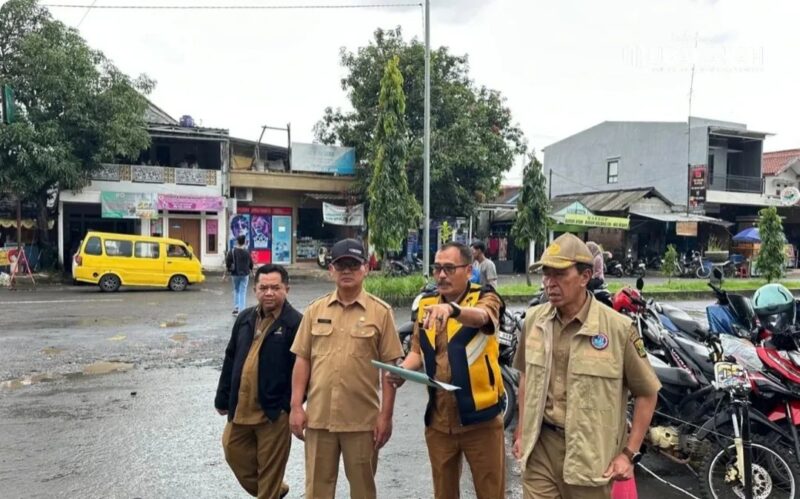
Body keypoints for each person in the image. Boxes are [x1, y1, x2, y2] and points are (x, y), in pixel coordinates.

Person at [513, 233, 660, 499]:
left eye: (559, 274)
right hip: (540, 449)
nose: (549, 283)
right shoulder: (534, 320)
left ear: (585, 277)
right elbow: (526, 377)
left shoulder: (618, 329)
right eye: (546, 274)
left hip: (590, 456)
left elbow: (647, 393)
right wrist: (522, 432)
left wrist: (629, 453)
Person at [388, 242, 506, 499]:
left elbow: (483, 317)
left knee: (490, 491)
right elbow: (417, 351)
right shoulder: (426, 304)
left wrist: (452, 310)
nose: (441, 275)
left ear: (469, 270)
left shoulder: (486, 296)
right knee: (443, 493)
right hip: (440, 420)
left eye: (449, 268)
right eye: (437, 268)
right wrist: (401, 371)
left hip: (481, 420)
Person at [289, 238, 404, 499]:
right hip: (319, 418)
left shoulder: (380, 312)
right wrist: (296, 406)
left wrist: (386, 416)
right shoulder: (315, 310)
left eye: (354, 265)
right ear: (331, 270)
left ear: (366, 268)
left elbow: (390, 368)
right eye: (341, 266)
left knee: (363, 491)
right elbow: (302, 360)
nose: (347, 271)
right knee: (317, 491)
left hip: (362, 422)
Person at [215, 264, 302, 499]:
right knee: (232, 449)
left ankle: (270, 490)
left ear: (286, 289)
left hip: (273, 413)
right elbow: (231, 357)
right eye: (263, 288)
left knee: (270, 471)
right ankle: (274, 490)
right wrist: (222, 398)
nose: (269, 293)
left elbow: (304, 370)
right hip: (241, 408)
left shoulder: (295, 323)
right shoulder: (245, 318)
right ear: (255, 290)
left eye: (275, 287)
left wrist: (288, 406)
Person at [227, 235, 254, 316]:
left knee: (236, 290)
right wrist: (251, 269)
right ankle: (241, 310)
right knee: (243, 291)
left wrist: (229, 270)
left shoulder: (232, 251)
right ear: (244, 242)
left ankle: (236, 308)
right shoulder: (247, 252)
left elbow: (228, 262)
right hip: (245, 274)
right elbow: (251, 263)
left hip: (235, 273)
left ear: (237, 242)